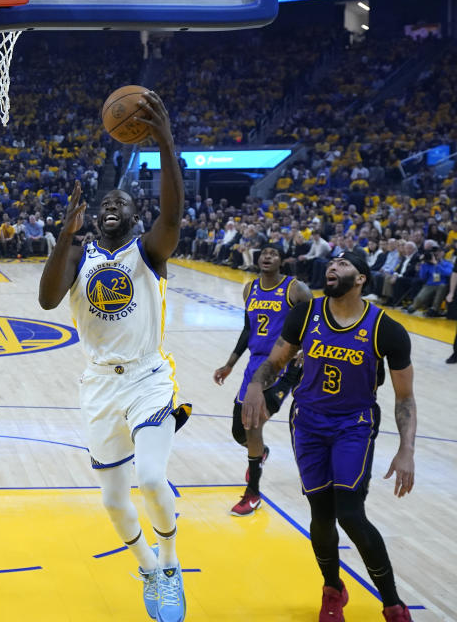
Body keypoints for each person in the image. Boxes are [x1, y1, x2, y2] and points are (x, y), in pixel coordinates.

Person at [38, 90, 190, 622]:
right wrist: (63, 239)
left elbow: (173, 212)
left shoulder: (148, 252)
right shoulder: (78, 257)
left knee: (150, 478)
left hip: (148, 377)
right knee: (111, 501)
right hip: (99, 384)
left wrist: (166, 143)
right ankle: (146, 564)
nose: (109, 208)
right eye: (103, 204)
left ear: (135, 216)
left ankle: (170, 566)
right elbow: (47, 299)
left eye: (120, 204)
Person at [242, 252, 416, 622]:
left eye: (343, 263)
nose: (332, 267)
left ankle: (392, 603)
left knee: (351, 514)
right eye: (331, 262)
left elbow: (405, 397)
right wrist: (257, 385)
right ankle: (333, 589)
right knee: (321, 515)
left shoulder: (387, 329)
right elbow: (275, 362)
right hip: (307, 422)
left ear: (361, 279)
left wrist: (406, 450)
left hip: (353, 424)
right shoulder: (306, 314)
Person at [213, 244, 311, 515]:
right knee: (238, 431)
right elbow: (248, 329)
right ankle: (260, 453)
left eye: (274, 253)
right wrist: (230, 364)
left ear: (281, 260)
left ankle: (253, 493)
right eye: (264, 252)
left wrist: (306, 348)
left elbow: (316, 320)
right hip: (254, 366)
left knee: (253, 424)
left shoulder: (295, 289)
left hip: (283, 364)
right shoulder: (250, 289)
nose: (267, 256)